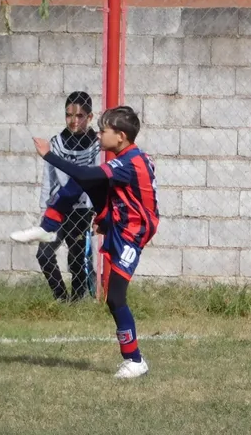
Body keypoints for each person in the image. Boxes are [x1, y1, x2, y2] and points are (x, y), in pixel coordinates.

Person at [27, 106, 159, 379]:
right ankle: (47, 228)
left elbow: (127, 197)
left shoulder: (130, 161)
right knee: (79, 181)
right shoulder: (126, 158)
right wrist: (108, 217)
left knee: (115, 297)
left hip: (132, 233)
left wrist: (49, 155)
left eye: (103, 131)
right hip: (120, 223)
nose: (98, 135)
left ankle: (135, 360)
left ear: (120, 136)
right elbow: (122, 193)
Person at [10, 91, 100, 302]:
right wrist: (44, 208)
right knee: (44, 254)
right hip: (59, 209)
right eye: (69, 115)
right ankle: (61, 298)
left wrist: (97, 212)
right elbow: (49, 177)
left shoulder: (97, 144)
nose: (74, 120)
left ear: (90, 117)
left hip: (83, 211)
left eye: (79, 116)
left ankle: (78, 303)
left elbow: (97, 179)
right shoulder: (56, 143)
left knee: (77, 259)